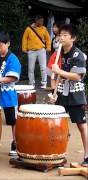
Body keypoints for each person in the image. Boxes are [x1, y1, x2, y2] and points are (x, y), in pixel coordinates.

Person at [50, 24, 87, 166]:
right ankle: (58, 155)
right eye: (60, 35)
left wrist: (59, 71)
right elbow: (53, 74)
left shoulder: (78, 55)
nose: (62, 37)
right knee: (59, 125)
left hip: (75, 93)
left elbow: (77, 76)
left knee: (81, 125)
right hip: (61, 92)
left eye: (65, 35)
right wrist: (53, 90)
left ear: (73, 38)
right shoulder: (58, 53)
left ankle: (87, 156)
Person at [22, 15, 51, 89]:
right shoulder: (29, 29)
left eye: (42, 20)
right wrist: (24, 48)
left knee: (43, 67)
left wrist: (48, 48)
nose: (42, 22)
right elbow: (24, 39)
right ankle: (31, 83)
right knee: (31, 68)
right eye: (40, 20)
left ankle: (44, 82)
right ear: (36, 20)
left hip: (41, 50)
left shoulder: (44, 29)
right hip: (31, 51)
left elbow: (48, 39)